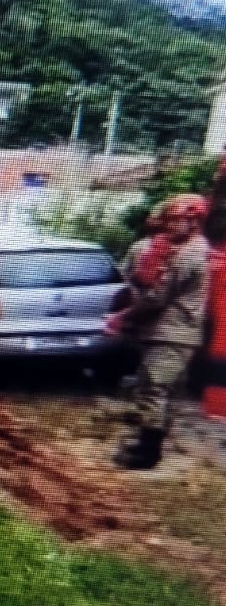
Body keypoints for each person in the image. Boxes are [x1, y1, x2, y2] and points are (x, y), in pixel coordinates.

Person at [106, 193, 211, 470]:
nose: (168, 225)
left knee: (152, 391)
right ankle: (148, 445)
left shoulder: (189, 255)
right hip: (175, 333)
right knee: (164, 393)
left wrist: (122, 317)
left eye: (175, 219)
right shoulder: (191, 250)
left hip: (170, 333)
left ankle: (147, 453)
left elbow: (157, 297)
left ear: (193, 221)